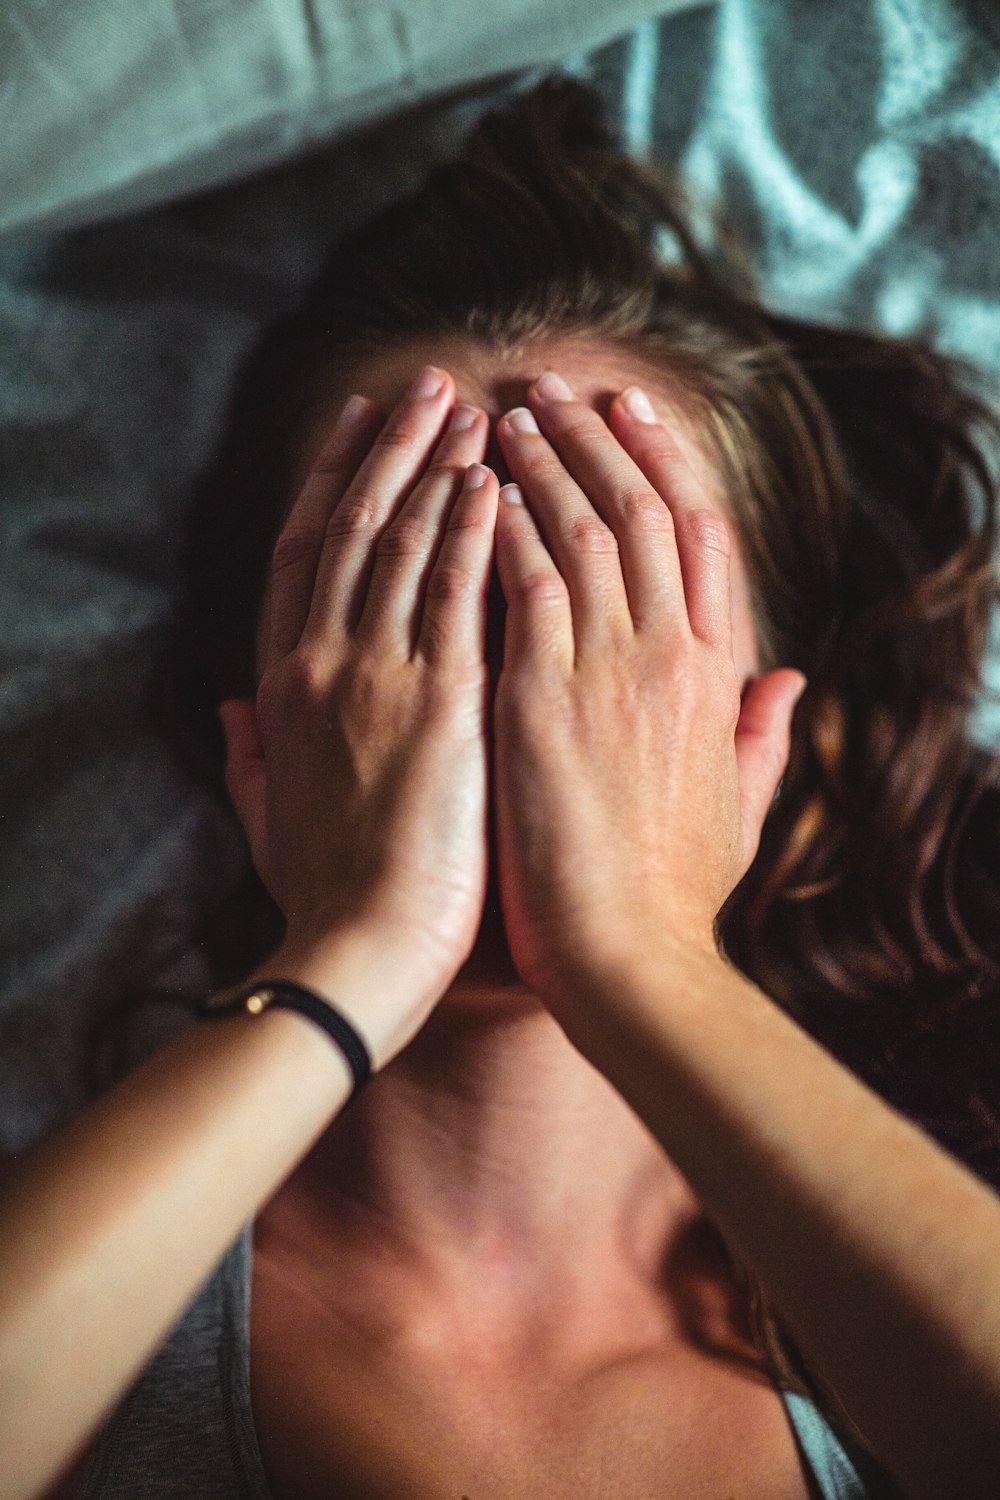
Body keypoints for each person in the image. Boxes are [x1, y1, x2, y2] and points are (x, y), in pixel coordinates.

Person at [2, 77, 1000, 1500]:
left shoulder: (907, 1292)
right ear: (265, 728)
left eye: (604, 615)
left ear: (775, 746)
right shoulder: (86, 1292)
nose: (495, 700)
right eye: (399, 594)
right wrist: (356, 957)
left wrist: (642, 955)